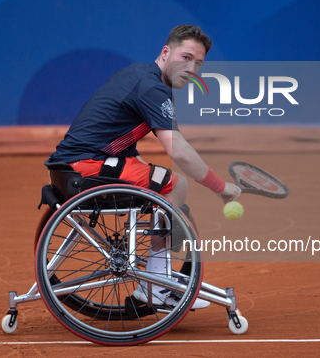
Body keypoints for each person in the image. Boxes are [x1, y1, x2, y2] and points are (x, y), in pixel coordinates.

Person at [47, 24, 241, 308]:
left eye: (198, 63)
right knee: (176, 184)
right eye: (186, 57)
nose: (192, 68)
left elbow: (122, 145)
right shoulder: (152, 87)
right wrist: (221, 188)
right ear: (166, 52)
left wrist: (154, 183)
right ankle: (156, 287)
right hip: (85, 168)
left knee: (163, 183)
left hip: (75, 165)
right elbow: (180, 151)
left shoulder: (142, 75)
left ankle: (157, 275)